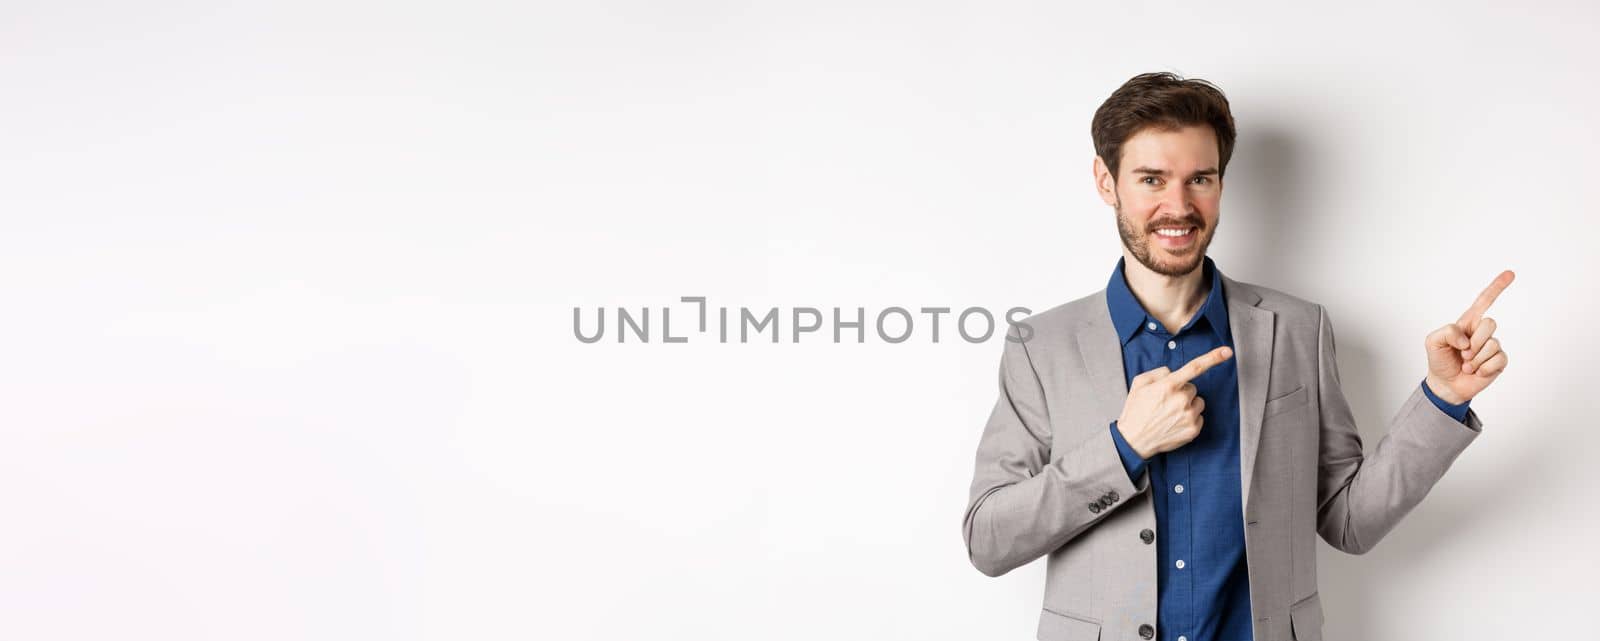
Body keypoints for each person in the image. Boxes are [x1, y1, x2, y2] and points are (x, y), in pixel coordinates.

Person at [960, 72, 1512, 641]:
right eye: (1152, 179)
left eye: (1199, 178)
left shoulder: (1298, 328)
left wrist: (1444, 397)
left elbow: (1349, 522)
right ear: (1107, 181)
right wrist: (1125, 447)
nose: (1178, 207)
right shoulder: (1041, 347)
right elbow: (989, 540)